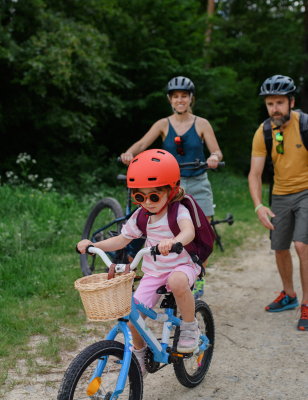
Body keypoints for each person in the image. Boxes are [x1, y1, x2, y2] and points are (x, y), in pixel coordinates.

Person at [77, 149, 201, 376]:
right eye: (139, 197)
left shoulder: (178, 210)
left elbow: (189, 232)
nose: (147, 202)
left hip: (182, 265)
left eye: (154, 196)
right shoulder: (141, 215)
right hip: (154, 272)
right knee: (132, 318)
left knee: (176, 281)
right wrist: (94, 246)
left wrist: (174, 241)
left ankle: (190, 327)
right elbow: (122, 239)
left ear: (170, 191)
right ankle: (141, 355)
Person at [248, 75, 308, 331]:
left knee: (301, 244)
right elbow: (254, 174)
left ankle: (307, 304)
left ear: (291, 102)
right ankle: (289, 295)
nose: (274, 109)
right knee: (279, 246)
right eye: (270, 104)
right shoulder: (264, 131)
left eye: (279, 103)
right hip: (280, 194)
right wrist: (258, 205)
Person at [120, 76, 223, 299]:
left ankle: (198, 275)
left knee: (204, 231)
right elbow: (141, 144)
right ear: (170, 99)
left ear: (191, 99)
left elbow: (217, 151)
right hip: (170, 186)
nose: (180, 100)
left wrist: (214, 157)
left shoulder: (202, 124)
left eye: (184, 96)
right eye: (175, 96)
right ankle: (164, 272)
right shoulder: (163, 124)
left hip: (197, 181)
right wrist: (130, 152)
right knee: (167, 228)